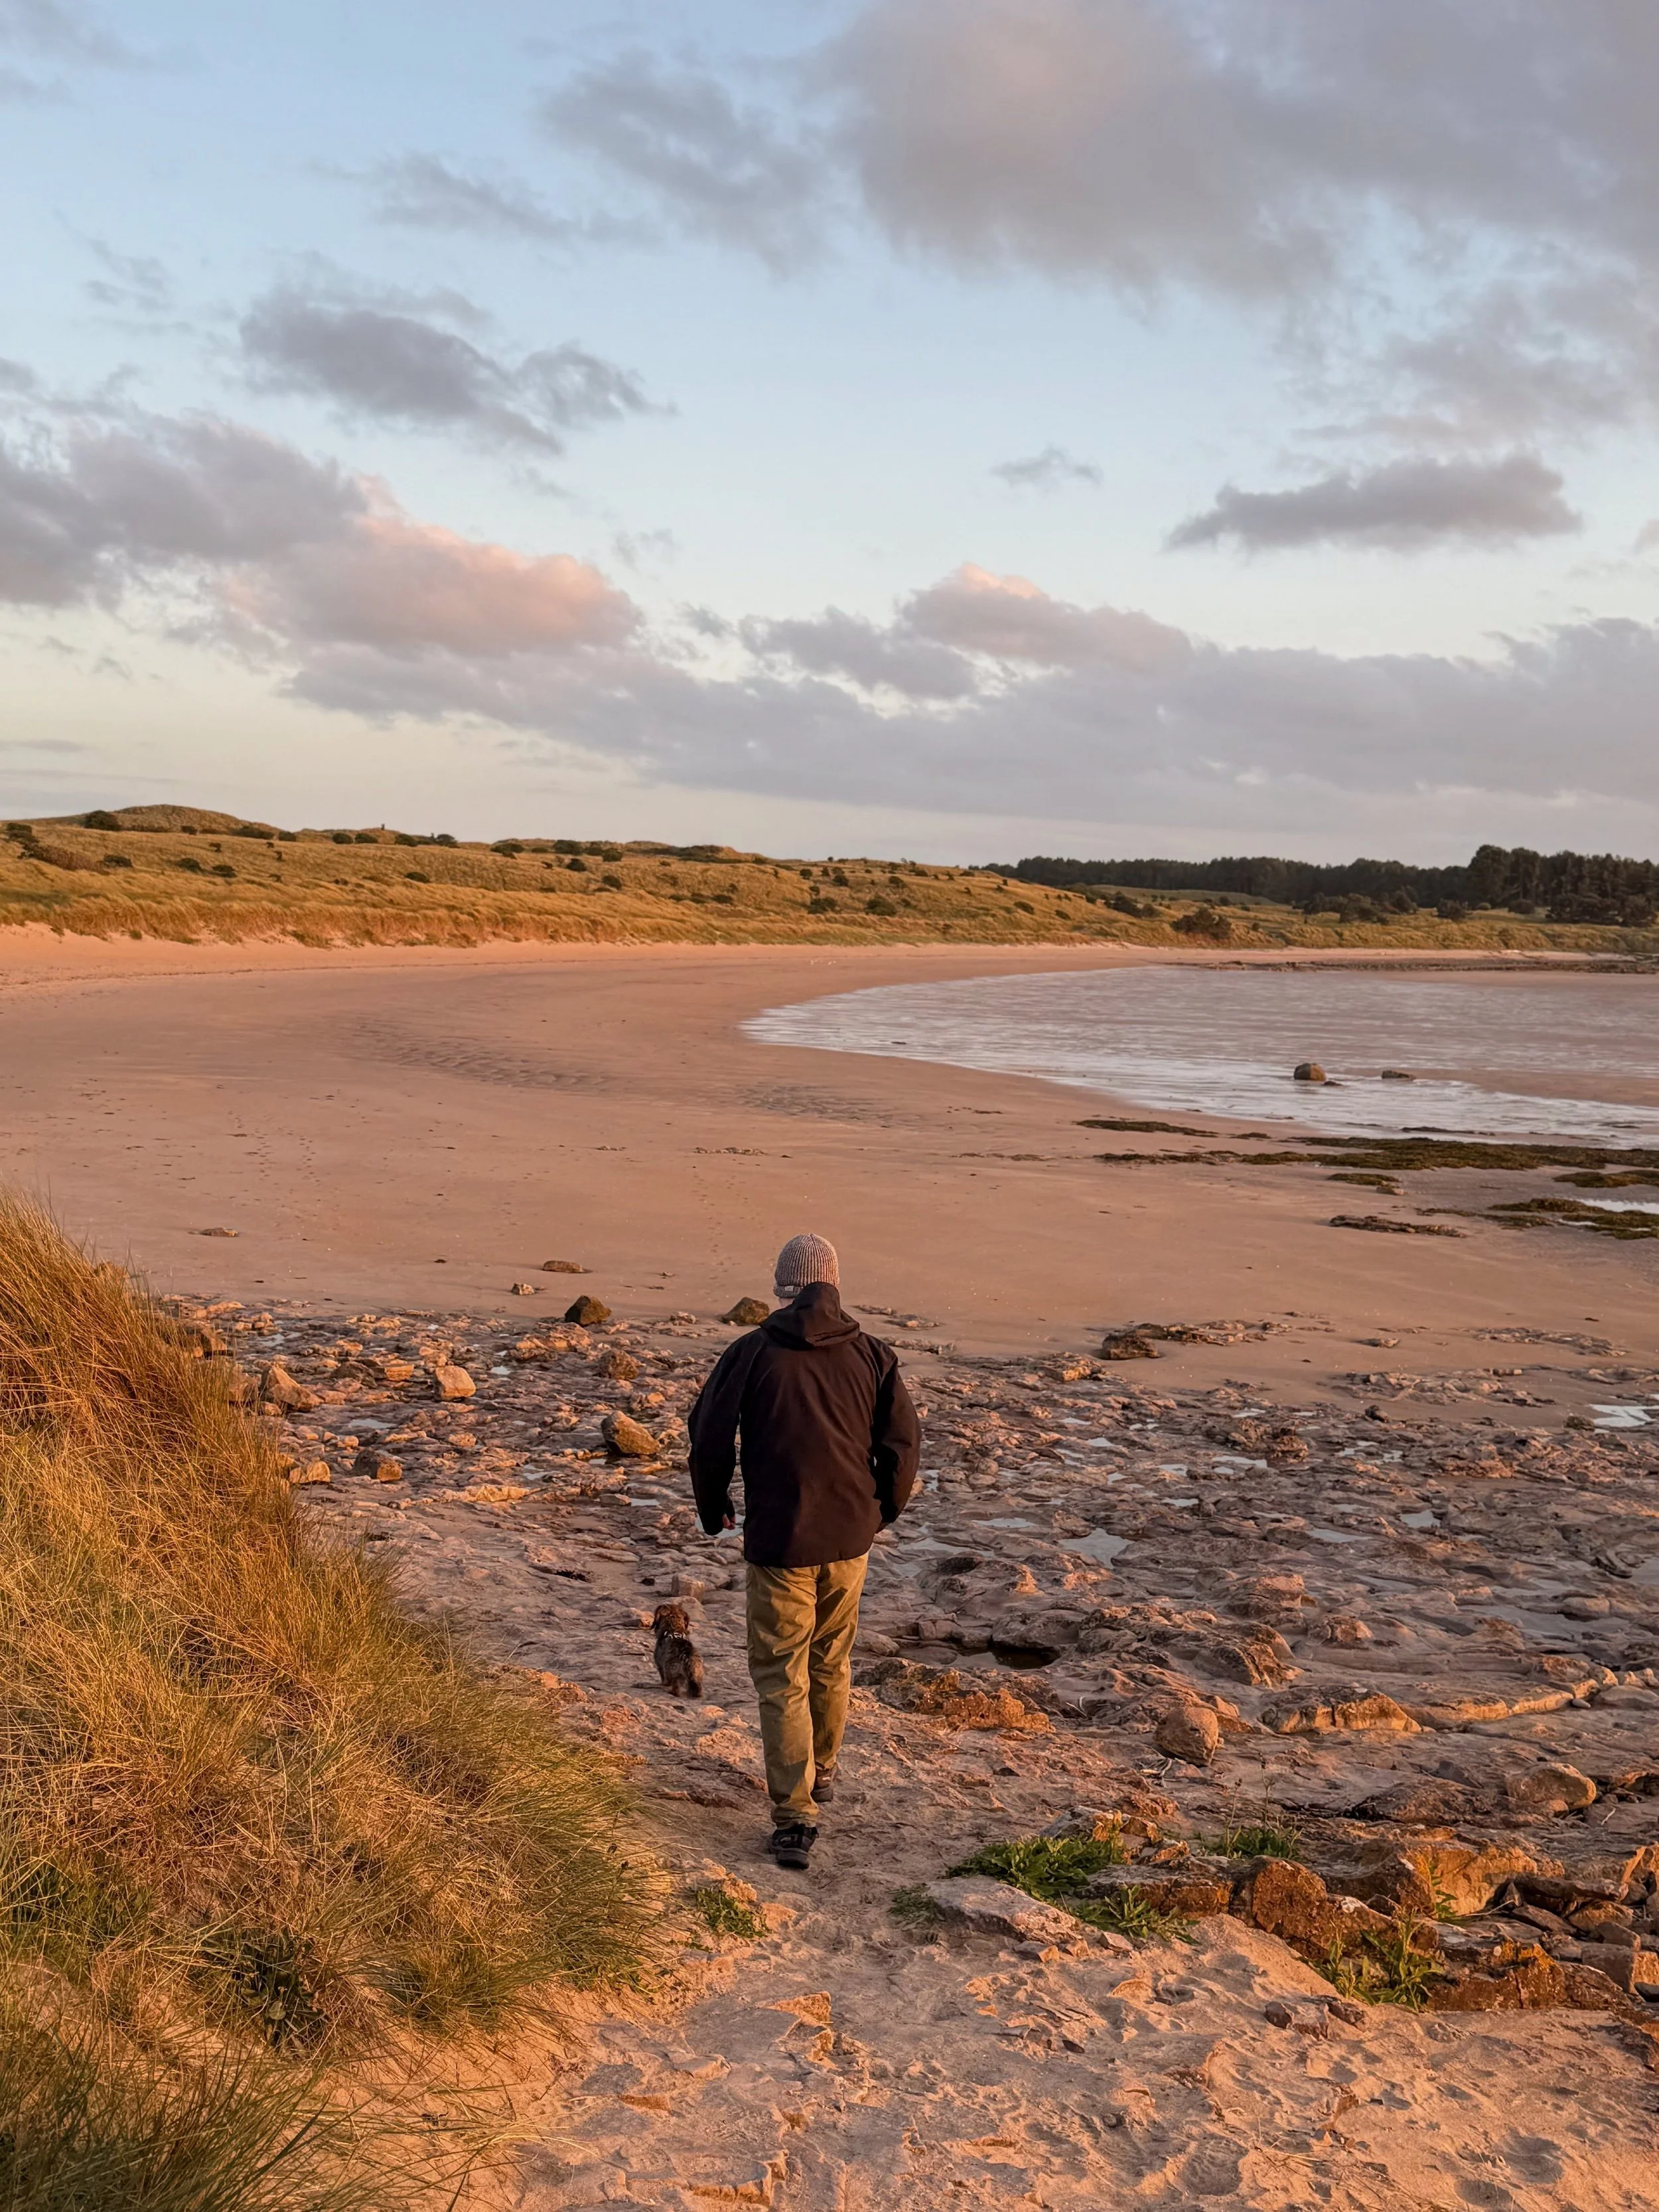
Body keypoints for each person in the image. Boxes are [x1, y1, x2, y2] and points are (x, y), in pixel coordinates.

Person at [687, 1233, 920, 1870]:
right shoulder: (873, 1355)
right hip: (849, 1537)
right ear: (834, 1285)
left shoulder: (753, 1351)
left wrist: (714, 1508)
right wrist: (882, 1510)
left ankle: (795, 1815)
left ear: (784, 1286)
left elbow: (708, 1435)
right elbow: (903, 1446)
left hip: (782, 1539)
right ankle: (823, 1771)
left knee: (782, 1671)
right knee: (830, 1659)